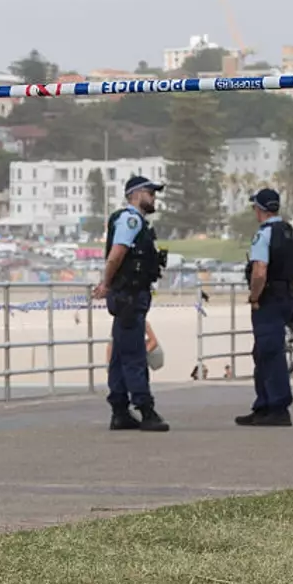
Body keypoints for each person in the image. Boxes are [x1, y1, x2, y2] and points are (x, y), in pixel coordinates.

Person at [92, 175, 169, 432]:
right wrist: (106, 283)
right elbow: (116, 255)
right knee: (134, 354)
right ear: (135, 194)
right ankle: (145, 409)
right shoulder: (131, 220)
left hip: (128, 295)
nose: (154, 198)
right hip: (129, 296)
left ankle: (119, 410)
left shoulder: (133, 221)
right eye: (150, 193)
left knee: (120, 355)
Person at [236, 188, 293, 427]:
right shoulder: (291, 233)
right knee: (264, 351)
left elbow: (259, 271)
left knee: (270, 352)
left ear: (260, 209)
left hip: (270, 299)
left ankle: (276, 406)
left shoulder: (264, 235)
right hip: (286, 297)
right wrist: (290, 291)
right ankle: (263, 405)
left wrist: (255, 296)